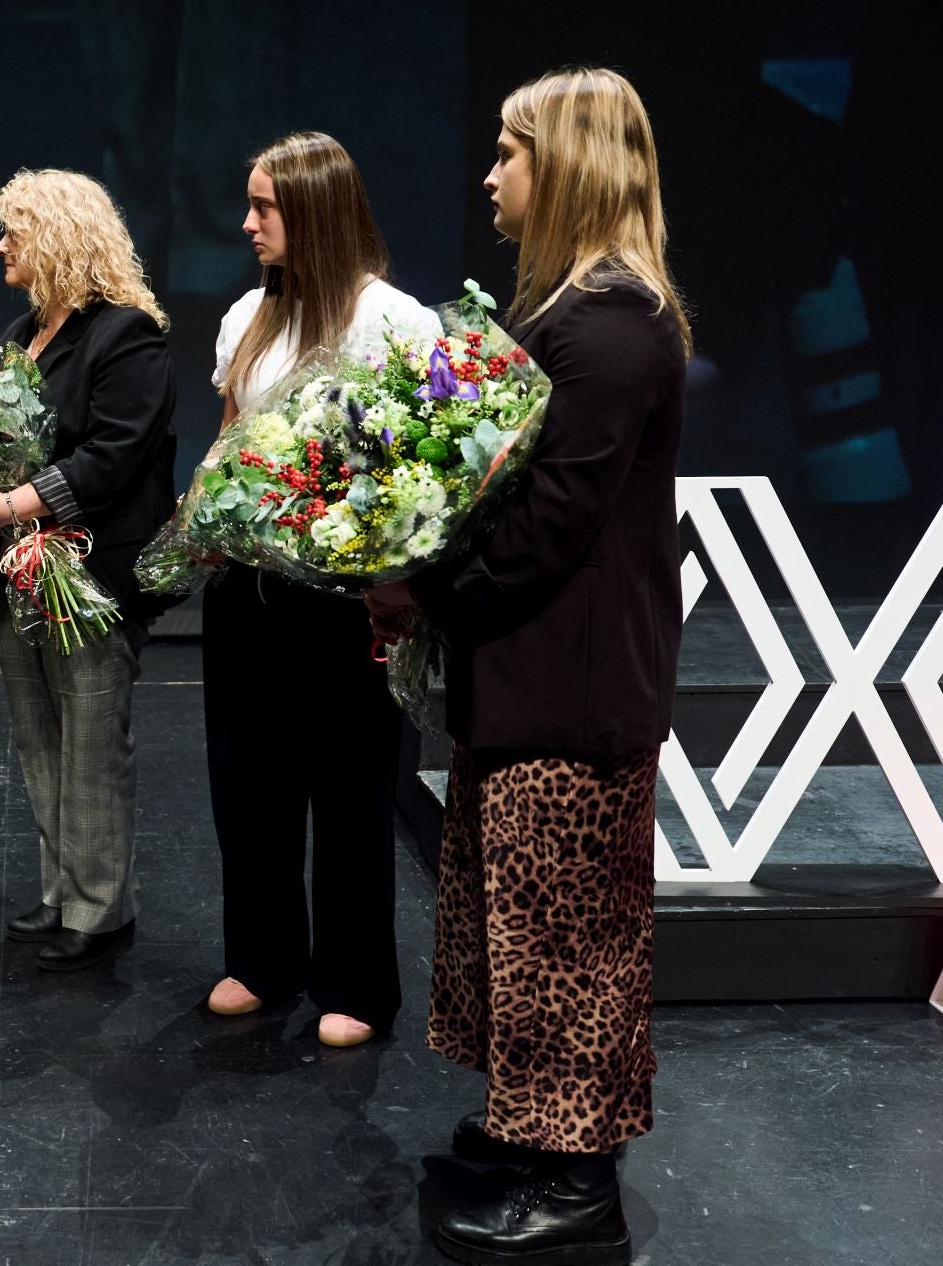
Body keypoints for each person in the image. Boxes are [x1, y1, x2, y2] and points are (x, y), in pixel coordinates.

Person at [366, 69, 690, 1265]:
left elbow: (546, 529)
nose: (489, 174)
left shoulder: (609, 323)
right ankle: (531, 1134)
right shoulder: (568, 309)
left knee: (567, 939)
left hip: (576, 688)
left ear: (564, 166)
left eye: (507, 153)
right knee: (516, 924)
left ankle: (577, 1177)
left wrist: (413, 584)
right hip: (532, 677)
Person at [200, 133, 439, 1043]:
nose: (249, 224)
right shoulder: (246, 319)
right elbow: (227, 442)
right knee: (248, 786)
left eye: (265, 209)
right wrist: (207, 524)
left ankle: (357, 985)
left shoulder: (397, 322)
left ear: (315, 215)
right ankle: (261, 959)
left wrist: (392, 576)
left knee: (350, 793)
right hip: (252, 596)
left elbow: (418, 468)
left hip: (346, 601)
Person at [0, 169, 178, 971]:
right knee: (37, 739)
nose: (0, 245)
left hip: (90, 580)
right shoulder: (20, 337)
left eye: (14, 231)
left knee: (89, 741)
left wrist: (14, 503)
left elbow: (115, 457)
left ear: (56, 238)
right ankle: (59, 890)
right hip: (19, 573)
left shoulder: (127, 335)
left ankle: (99, 904)